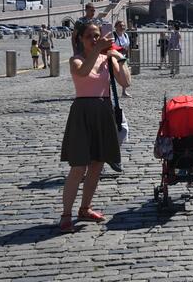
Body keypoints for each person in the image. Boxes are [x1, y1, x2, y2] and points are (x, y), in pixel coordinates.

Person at [59, 20, 131, 233]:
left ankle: (85, 208)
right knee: (78, 167)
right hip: (82, 113)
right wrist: (99, 50)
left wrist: (119, 59)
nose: (94, 39)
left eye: (97, 35)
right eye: (89, 36)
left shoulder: (106, 58)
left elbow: (126, 82)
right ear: (80, 39)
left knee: (97, 164)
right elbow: (83, 73)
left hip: (103, 111)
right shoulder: (76, 60)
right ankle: (66, 215)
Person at [113, 21, 131, 98]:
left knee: (124, 74)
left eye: (123, 26)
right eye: (120, 26)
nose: (122, 27)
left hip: (123, 57)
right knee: (112, 75)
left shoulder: (125, 35)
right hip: (114, 58)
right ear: (116, 27)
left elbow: (127, 46)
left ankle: (124, 91)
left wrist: (128, 56)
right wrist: (120, 49)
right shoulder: (113, 35)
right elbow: (111, 46)